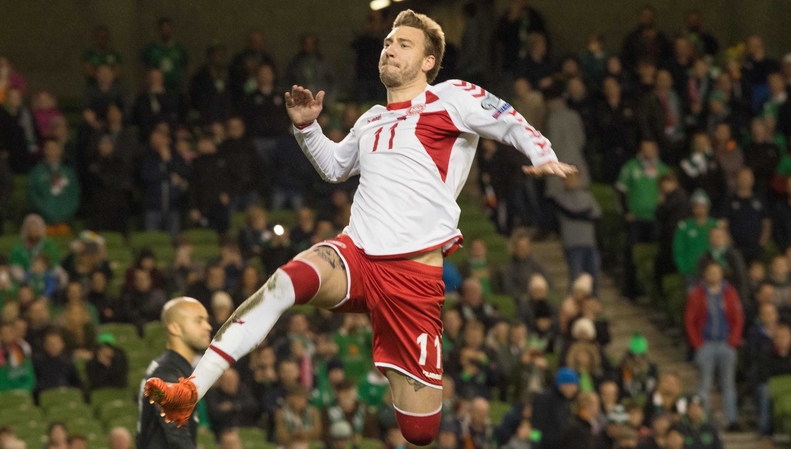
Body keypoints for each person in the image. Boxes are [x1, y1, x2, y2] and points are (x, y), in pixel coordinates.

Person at [144, 10, 573, 447]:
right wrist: (307, 127)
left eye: (403, 43)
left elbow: (505, 116)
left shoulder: (451, 97)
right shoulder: (371, 118)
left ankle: (393, 363)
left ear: (428, 61)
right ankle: (191, 388)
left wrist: (541, 153)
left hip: (413, 278)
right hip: (357, 254)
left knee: (420, 432)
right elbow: (334, 168)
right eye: (388, 41)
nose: (390, 47)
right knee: (283, 283)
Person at [137, 297, 211, 449]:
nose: (208, 327)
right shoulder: (167, 372)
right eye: (199, 321)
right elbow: (177, 436)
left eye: (206, 320)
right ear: (175, 328)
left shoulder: (177, 369)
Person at [685, 262, 744, 431]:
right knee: (704, 384)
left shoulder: (730, 292)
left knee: (728, 384)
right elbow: (690, 320)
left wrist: (733, 340)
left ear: (721, 275)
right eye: (710, 272)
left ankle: (732, 420)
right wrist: (697, 343)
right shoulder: (697, 294)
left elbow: (738, 317)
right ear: (705, 275)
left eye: (717, 272)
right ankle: (702, 420)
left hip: (726, 342)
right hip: (706, 344)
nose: (713, 275)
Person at [616, 140, 670, 298]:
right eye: (646, 148)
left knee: (653, 256)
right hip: (636, 220)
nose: (649, 151)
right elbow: (620, 190)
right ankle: (630, 291)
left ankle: (652, 292)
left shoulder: (662, 168)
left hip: (655, 220)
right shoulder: (631, 167)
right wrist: (625, 211)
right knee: (632, 255)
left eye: (652, 148)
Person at [552, 173, 602, 289]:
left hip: (589, 242)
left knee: (593, 277)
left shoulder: (587, 196)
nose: (571, 181)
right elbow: (572, 213)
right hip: (572, 244)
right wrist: (584, 215)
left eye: (573, 178)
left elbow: (596, 215)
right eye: (568, 179)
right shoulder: (560, 198)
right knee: (575, 278)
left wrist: (580, 215)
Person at [26, 138, 80, 234]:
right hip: (44, 223)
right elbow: (33, 195)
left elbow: (75, 194)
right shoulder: (36, 173)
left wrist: (67, 213)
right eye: (49, 148)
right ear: (44, 150)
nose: (52, 151)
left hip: (66, 222)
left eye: (55, 148)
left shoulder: (69, 173)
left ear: (60, 150)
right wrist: (45, 212)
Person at [673, 190, 718, 281]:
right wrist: (683, 267)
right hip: (691, 271)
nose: (700, 209)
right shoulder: (685, 227)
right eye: (697, 206)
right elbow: (678, 248)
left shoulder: (715, 225)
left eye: (703, 207)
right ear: (693, 208)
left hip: (712, 272)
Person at [531, 368, 580, 449]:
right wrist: (534, 444)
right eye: (572, 385)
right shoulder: (545, 399)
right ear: (562, 385)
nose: (575, 389)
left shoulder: (565, 402)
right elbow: (536, 425)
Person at [205, 367, 260, 435]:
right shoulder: (212, 394)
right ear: (220, 381)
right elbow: (214, 412)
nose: (230, 384)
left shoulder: (243, 391)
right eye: (227, 381)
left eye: (232, 380)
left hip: (244, 429)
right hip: (221, 432)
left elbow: (253, 406)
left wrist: (233, 406)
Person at [141, 18, 189, 93]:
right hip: (157, 89)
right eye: (163, 28)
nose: (165, 30)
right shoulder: (151, 48)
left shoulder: (179, 49)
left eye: (168, 27)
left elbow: (186, 67)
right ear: (159, 30)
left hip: (175, 89)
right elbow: (144, 66)